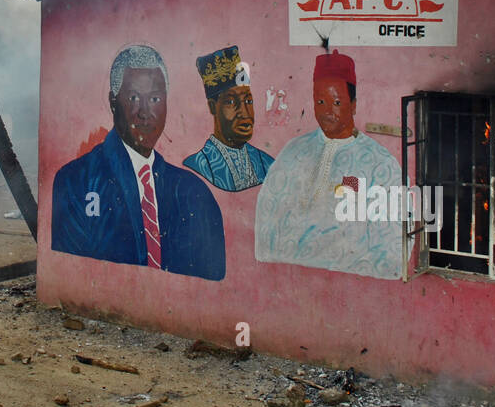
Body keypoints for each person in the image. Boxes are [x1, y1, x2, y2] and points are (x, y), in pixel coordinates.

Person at [51, 45, 226, 280]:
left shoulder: (192, 192)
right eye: (133, 98)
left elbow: (211, 281)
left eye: (155, 98)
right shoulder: (77, 181)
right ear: (113, 102)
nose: (145, 112)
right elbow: (70, 277)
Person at [254, 50, 403, 278]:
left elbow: (391, 243)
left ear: (353, 105)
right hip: (289, 278)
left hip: (351, 283)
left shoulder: (380, 164)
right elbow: (268, 214)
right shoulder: (294, 152)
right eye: (320, 102)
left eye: (336, 102)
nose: (326, 112)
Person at [182, 45, 274, 192]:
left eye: (248, 101)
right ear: (213, 107)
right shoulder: (196, 168)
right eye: (231, 102)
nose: (244, 113)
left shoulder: (267, 164)